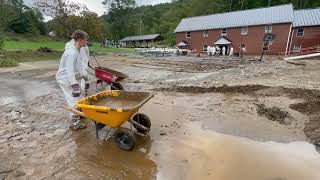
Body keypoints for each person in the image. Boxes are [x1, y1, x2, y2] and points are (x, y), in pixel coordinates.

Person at [56, 30, 89, 130]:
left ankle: (78, 114)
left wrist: (83, 75)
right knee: (73, 100)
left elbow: (78, 65)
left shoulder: (76, 50)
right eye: (86, 40)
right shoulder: (71, 53)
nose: (87, 42)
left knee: (80, 96)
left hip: (70, 78)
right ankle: (74, 123)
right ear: (80, 40)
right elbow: (69, 70)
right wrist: (74, 84)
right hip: (65, 79)